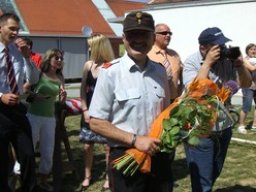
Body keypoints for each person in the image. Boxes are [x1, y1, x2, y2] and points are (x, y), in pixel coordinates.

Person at [89, 11, 172, 192]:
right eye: (133, 34)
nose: (138, 40)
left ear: (152, 37)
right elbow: (95, 122)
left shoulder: (160, 72)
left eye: (144, 34)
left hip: (159, 156)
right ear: (124, 37)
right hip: (126, 157)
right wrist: (135, 140)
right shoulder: (110, 72)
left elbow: (166, 114)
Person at [182, 27, 252, 192]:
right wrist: (207, 64)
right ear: (203, 48)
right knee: (202, 179)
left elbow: (247, 83)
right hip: (199, 127)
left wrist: (240, 66)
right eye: (217, 46)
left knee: (215, 169)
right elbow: (195, 91)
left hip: (223, 125)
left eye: (223, 45)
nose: (222, 49)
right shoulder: (192, 62)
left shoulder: (227, 61)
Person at [0, 12, 40, 192]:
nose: (16, 33)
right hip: (0, 111)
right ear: (0, 28)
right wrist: (0, 95)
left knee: (28, 154)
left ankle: (30, 188)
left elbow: (32, 79)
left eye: (18, 29)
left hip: (17, 109)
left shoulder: (18, 51)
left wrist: (26, 57)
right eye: (12, 29)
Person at [26, 48, 66, 191]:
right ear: (49, 59)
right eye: (57, 58)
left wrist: (63, 98)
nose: (60, 60)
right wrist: (35, 96)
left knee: (48, 152)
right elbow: (25, 93)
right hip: (33, 116)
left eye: (61, 58)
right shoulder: (39, 74)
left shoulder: (60, 78)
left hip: (49, 119)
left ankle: (43, 181)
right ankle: (26, 181)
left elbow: (61, 102)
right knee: (28, 149)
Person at [79, 34, 114, 191]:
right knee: (87, 146)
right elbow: (82, 90)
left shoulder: (110, 66)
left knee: (108, 147)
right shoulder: (88, 65)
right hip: (88, 112)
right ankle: (87, 175)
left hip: (105, 113)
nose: (89, 48)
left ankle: (108, 176)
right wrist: (84, 109)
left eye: (91, 45)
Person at [148, 23, 183, 103]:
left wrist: (180, 94)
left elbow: (182, 76)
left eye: (170, 33)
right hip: (156, 101)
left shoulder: (174, 55)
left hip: (174, 101)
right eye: (164, 33)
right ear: (154, 35)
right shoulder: (148, 54)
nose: (168, 35)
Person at [237, 43, 256, 134]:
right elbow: (252, 68)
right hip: (248, 86)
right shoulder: (244, 60)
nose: (254, 51)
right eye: (252, 49)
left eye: (255, 49)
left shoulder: (255, 60)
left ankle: (254, 125)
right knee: (246, 106)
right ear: (247, 50)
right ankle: (241, 125)